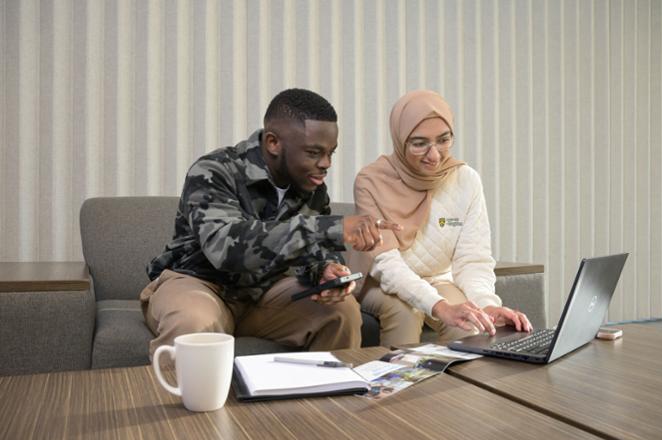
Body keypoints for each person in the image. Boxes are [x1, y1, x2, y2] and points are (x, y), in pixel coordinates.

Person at [141, 88, 400, 359]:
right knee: (192, 322)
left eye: (330, 153)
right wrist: (330, 228)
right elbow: (226, 249)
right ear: (273, 142)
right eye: (314, 152)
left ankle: (324, 399)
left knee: (341, 310)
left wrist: (326, 272)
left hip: (263, 294)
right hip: (200, 283)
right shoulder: (215, 171)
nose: (326, 164)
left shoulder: (311, 188)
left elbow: (314, 256)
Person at [349, 90, 532, 347]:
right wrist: (439, 306)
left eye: (444, 140)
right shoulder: (370, 181)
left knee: (471, 320)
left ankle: (465, 388)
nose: (434, 156)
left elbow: (473, 259)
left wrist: (486, 305)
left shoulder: (466, 180)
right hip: (378, 281)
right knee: (405, 313)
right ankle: (396, 386)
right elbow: (386, 264)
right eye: (419, 143)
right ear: (400, 140)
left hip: (437, 278)